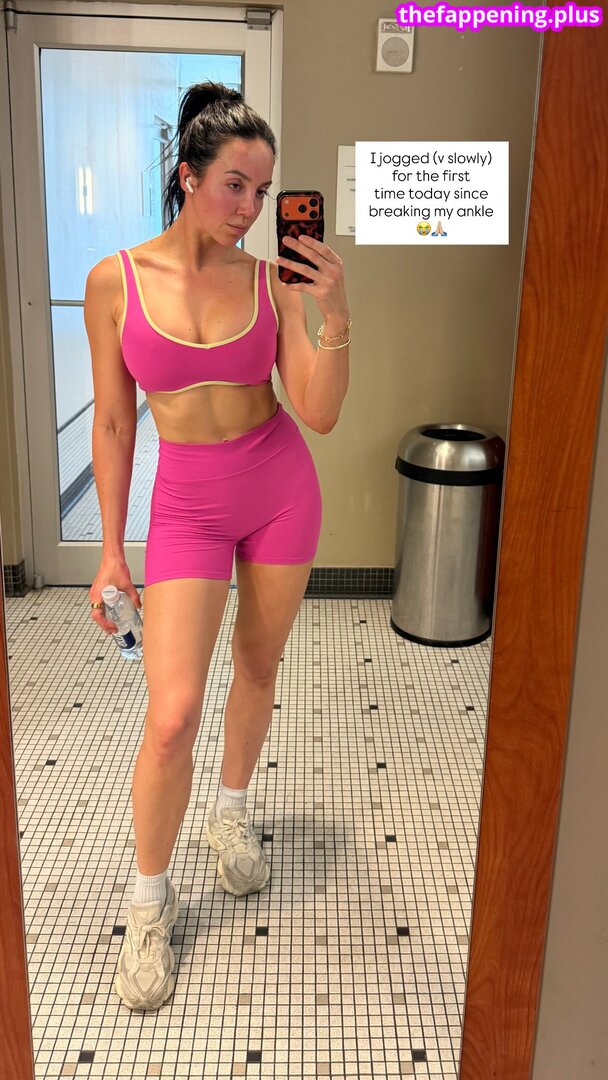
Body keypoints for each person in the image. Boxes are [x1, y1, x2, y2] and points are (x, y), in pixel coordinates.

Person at [84, 81, 350, 1012]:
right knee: (171, 716)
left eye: (263, 192)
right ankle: (147, 904)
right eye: (235, 184)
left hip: (279, 488)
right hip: (187, 505)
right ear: (188, 175)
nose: (250, 208)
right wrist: (110, 549)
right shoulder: (115, 282)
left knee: (257, 665)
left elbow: (317, 411)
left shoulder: (272, 279)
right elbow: (114, 423)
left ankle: (231, 814)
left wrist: (335, 315)